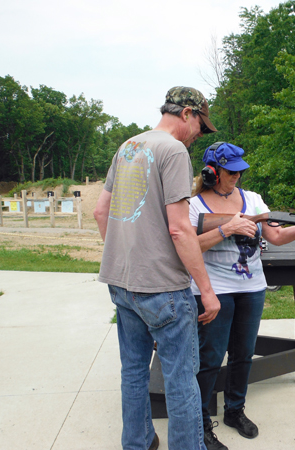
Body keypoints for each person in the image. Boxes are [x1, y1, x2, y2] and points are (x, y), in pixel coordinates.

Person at [94, 86, 222, 450]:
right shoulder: (173, 150)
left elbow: (101, 212)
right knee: (181, 378)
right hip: (163, 288)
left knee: (133, 371)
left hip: (121, 284)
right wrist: (207, 292)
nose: (200, 133)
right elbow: (180, 228)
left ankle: (138, 443)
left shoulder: (128, 147)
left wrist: (125, 258)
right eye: (201, 124)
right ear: (186, 114)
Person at [189, 142, 295, 450]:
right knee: (210, 358)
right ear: (211, 172)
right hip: (214, 290)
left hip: (252, 288)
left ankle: (234, 411)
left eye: (240, 171)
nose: (237, 177)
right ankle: (201, 424)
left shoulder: (253, 200)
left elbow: (277, 236)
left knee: (243, 354)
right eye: (231, 172)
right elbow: (189, 247)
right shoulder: (194, 206)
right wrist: (228, 229)